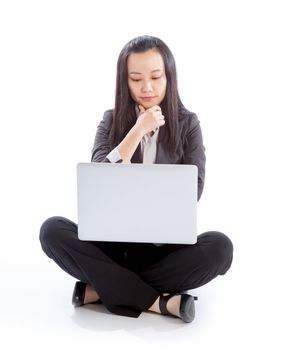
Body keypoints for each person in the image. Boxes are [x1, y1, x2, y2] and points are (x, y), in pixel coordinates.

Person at [39, 35, 233, 323]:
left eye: (156, 77)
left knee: (220, 247)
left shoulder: (188, 124)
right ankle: (159, 302)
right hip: (114, 246)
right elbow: (99, 180)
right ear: (124, 81)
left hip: (164, 249)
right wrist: (137, 131)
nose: (147, 88)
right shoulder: (110, 120)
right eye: (136, 79)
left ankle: (102, 289)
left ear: (169, 77)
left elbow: (193, 191)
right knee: (52, 230)